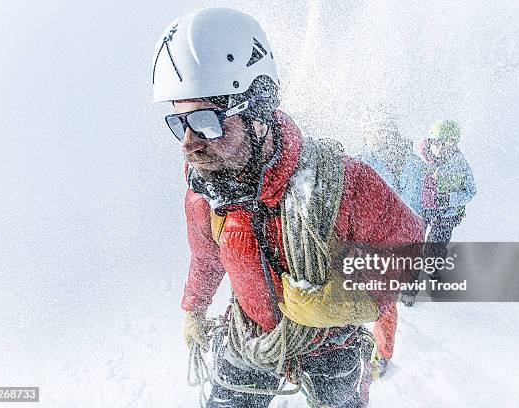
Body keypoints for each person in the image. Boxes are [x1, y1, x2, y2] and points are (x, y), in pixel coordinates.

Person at [152, 7, 424, 407]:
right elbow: (207, 259)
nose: (188, 143)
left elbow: (410, 252)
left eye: (206, 120)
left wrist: (354, 300)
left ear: (258, 112)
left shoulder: (343, 185)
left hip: (331, 347)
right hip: (250, 336)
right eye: (179, 123)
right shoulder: (204, 196)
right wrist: (194, 309)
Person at [420, 120, 476, 273]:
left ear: (454, 144)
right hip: (423, 209)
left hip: (447, 215)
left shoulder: (460, 164)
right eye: (437, 143)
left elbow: (470, 191)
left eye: (447, 144)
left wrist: (449, 199)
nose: (441, 148)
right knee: (414, 238)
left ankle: (433, 268)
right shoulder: (421, 162)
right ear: (430, 142)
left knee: (435, 245)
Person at [358, 116, 424, 216]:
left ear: (392, 133)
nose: (373, 137)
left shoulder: (414, 163)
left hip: (406, 224)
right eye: (368, 132)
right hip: (378, 225)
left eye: (380, 132)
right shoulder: (361, 164)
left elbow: (418, 201)